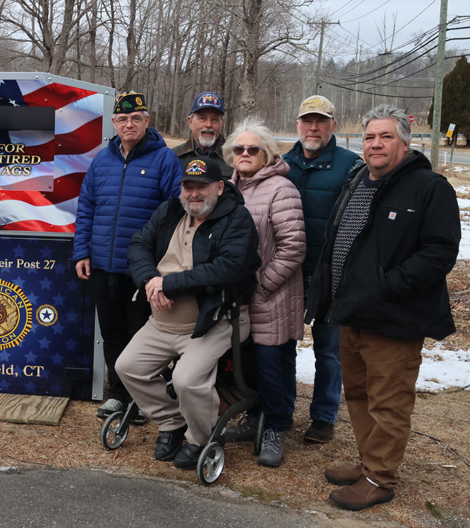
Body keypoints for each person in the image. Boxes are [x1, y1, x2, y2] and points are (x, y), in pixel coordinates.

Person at [306, 104, 459, 511]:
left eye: (386, 136)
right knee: (357, 394)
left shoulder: (428, 187)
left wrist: (389, 286)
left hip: (394, 318)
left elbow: (440, 251)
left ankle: (380, 478)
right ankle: (367, 462)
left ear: (405, 143)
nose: (375, 144)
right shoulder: (360, 179)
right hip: (350, 312)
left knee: (388, 402)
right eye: (370, 137)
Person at [116, 157, 259, 470]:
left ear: (219, 187)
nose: (194, 193)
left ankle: (201, 438)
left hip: (213, 322)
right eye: (188, 186)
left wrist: (168, 284)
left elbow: (228, 268)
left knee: (187, 380)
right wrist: (149, 281)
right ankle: (171, 423)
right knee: (127, 367)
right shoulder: (169, 210)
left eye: (202, 187)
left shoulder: (237, 218)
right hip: (163, 322)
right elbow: (138, 244)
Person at [72, 92, 182, 420]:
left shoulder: (164, 160)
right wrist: (82, 251)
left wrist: (160, 265)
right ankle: (119, 395)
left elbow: (174, 216)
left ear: (147, 121)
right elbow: (86, 208)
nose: (129, 124)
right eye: (122, 119)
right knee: (113, 334)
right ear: (114, 123)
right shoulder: (101, 160)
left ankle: (144, 398)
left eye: (136, 119)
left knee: (141, 339)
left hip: (141, 270)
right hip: (103, 266)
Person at [222, 118, 305, 467]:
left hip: (272, 294)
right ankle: (257, 416)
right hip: (238, 295)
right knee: (250, 363)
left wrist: (262, 284)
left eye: (252, 149)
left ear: (267, 154)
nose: (244, 154)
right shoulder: (227, 187)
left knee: (273, 362)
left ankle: (275, 427)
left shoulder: (281, 189)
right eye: (238, 149)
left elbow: (293, 246)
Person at [283, 95, 363, 444]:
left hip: (331, 273)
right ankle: (280, 409)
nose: (313, 127)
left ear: (333, 125)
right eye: (307, 121)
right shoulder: (283, 162)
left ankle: (324, 416)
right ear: (298, 124)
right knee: (280, 344)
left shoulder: (350, 166)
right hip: (289, 272)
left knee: (329, 350)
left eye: (321, 121)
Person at [172, 92, 233, 178]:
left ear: (222, 123)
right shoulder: (173, 156)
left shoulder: (234, 157)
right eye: (202, 118)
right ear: (190, 122)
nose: (208, 124)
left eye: (214, 119)